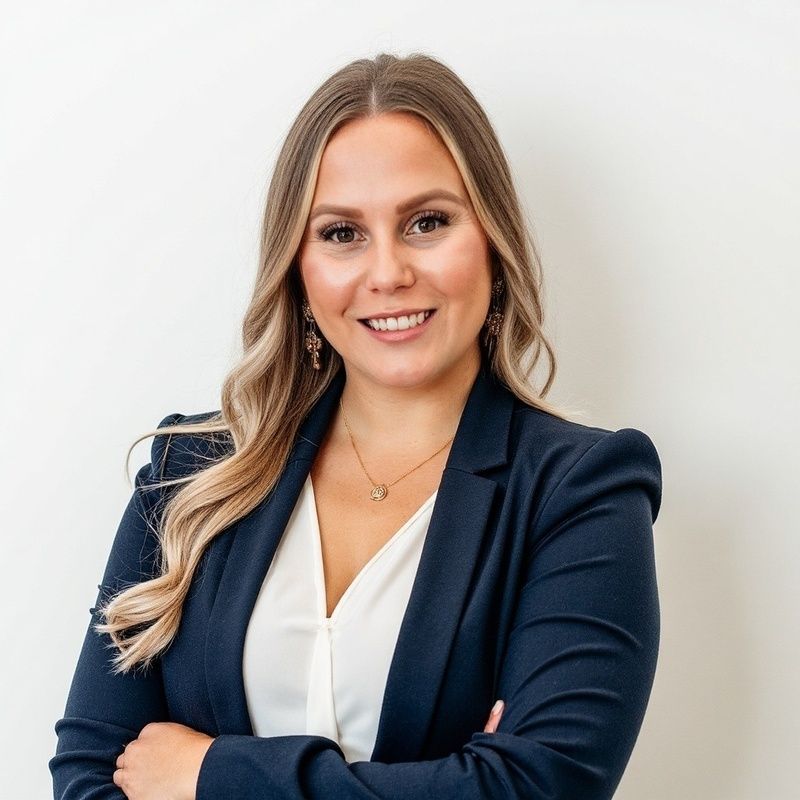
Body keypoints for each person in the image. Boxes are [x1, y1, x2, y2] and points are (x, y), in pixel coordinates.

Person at [50, 52, 663, 800]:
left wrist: (210, 772)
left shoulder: (580, 492)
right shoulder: (190, 476)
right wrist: (443, 781)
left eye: (427, 222)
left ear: (493, 242)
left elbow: (534, 789)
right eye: (342, 233)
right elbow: (92, 775)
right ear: (298, 270)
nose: (388, 273)